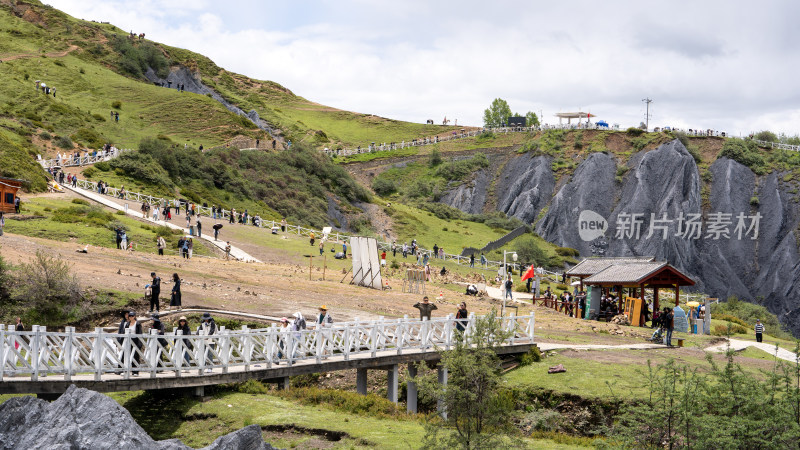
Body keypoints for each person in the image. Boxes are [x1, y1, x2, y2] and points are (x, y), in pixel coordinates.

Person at [124, 311, 143, 375]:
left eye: (132, 316)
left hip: (135, 340)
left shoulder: (137, 324)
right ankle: (129, 370)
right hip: (128, 340)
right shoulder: (127, 324)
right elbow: (125, 332)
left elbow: (140, 333)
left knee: (135, 356)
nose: (131, 317)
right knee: (128, 355)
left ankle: (136, 371)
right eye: (130, 316)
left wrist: (139, 343)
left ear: (134, 316)